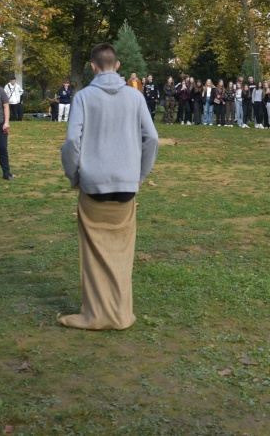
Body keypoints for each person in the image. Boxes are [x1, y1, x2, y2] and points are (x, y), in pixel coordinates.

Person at [59, 43, 159, 331]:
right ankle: (121, 314)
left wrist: (72, 174)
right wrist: (140, 174)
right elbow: (152, 139)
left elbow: (72, 141)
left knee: (93, 254)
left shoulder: (83, 97)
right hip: (126, 185)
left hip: (93, 184)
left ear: (93, 66)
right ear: (117, 66)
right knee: (122, 253)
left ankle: (95, 315)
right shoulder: (135, 96)